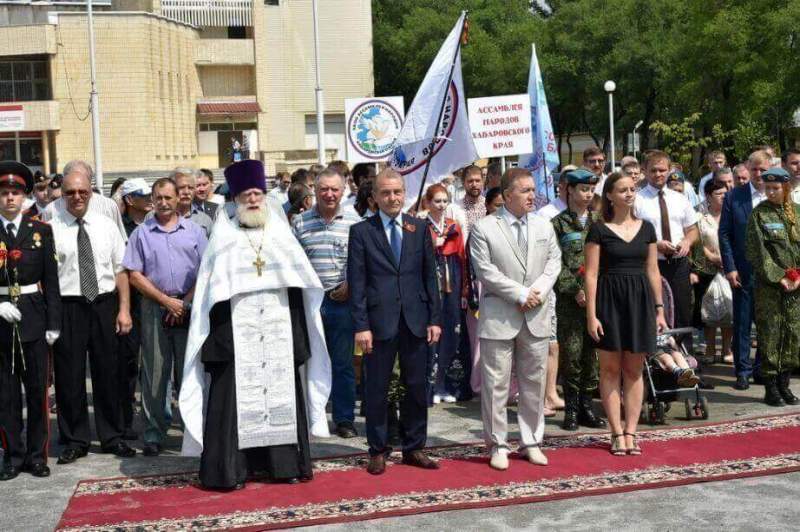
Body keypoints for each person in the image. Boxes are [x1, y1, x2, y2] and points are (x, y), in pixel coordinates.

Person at [180, 159, 331, 490]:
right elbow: (211, 296)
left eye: (257, 193)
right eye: (246, 194)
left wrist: (295, 339)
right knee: (233, 402)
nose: (253, 199)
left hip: (277, 335)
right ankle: (232, 470)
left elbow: (298, 289)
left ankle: (284, 465)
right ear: (235, 199)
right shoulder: (223, 241)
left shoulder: (281, 237)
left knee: (281, 397)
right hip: (236, 340)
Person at [347, 168, 442, 476]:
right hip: (378, 323)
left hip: (415, 320)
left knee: (416, 386)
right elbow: (357, 282)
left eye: (397, 192)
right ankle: (378, 449)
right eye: (385, 193)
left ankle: (414, 447)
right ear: (374, 197)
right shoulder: (361, 232)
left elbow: (430, 277)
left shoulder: (419, 227)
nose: (392, 198)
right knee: (377, 387)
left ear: (405, 194)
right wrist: (361, 325)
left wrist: (434, 319)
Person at [470, 168, 561, 470]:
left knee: (534, 382)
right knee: (496, 384)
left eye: (533, 190)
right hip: (500, 316)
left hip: (536, 314)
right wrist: (521, 294)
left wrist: (537, 291)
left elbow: (554, 262)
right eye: (525, 191)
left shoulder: (543, 225)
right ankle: (498, 443)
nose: (532, 196)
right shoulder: (484, 228)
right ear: (507, 194)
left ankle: (531, 441)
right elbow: (485, 271)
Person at [50, 168, 136, 464]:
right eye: (70, 192)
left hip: (104, 304)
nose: (77, 197)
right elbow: (47, 276)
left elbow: (121, 270)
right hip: (68, 305)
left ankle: (112, 437)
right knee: (69, 375)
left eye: (82, 192)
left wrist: (124, 309)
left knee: (109, 373)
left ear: (91, 191)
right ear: (62, 194)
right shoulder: (51, 227)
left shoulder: (106, 225)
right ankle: (75, 440)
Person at [123, 178, 207, 456]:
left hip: (189, 306)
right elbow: (134, 274)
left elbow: (207, 271)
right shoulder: (142, 234)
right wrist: (166, 301)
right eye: (158, 197)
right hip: (154, 306)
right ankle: (154, 433)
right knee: (155, 373)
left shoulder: (194, 232)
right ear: (152, 199)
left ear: (178, 198)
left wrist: (183, 303)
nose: (163, 202)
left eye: (168, 197)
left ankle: (194, 429)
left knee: (189, 371)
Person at [585, 172, 667, 456]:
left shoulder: (647, 228)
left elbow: (653, 270)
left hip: (640, 302)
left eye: (632, 189)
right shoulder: (598, 229)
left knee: (634, 370)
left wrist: (659, 309)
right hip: (609, 301)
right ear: (610, 195)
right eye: (623, 190)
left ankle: (631, 431)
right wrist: (592, 315)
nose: (630, 194)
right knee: (609, 369)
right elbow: (592, 275)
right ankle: (616, 432)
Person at [0, 162, 60, 481]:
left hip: (34, 319)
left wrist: (54, 323)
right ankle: (13, 455)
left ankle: (37, 456)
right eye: (4, 193)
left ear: (25, 198)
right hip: (1, 326)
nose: (10, 198)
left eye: (15, 193)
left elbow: (51, 279)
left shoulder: (41, 231)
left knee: (38, 392)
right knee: (6, 395)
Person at [292, 168, 361, 439]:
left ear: (343, 191)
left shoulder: (356, 222)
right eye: (324, 189)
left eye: (334, 189)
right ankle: (312, 416)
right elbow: (292, 263)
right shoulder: (300, 222)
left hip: (341, 302)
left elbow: (362, 261)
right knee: (309, 361)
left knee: (342, 363)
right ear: (315, 191)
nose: (329, 194)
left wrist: (351, 284)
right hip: (309, 304)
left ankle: (344, 419)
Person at [552, 168, 606, 431]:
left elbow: (606, 261)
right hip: (570, 302)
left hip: (597, 300)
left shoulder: (600, 222)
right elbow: (555, 263)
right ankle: (571, 409)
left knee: (592, 355)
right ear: (569, 190)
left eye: (591, 189)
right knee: (572, 355)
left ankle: (587, 406)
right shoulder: (558, 224)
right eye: (583, 189)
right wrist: (575, 289)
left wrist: (595, 292)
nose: (588, 194)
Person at [744, 167, 800, 406]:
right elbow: (756, 251)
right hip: (770, 287)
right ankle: (771, 388)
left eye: (775, 188)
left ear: (786, 188)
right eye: (767, 188)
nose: (771, 192)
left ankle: (785, 385)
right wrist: (779, 276)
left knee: (793, 335)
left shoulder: (797, 212)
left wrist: (798, 277)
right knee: (771, 335)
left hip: (796, 287)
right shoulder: (759, 214)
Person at [634, 151, 698, 355]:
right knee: (656, 313)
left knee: (683, 313)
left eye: (662, 170)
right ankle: (661, 363)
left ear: (670, 170)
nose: (658, 174)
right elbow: (631, 234)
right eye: (653, 170)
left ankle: (687, 362)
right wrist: (655, 245)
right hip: (652, 264)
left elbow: (693, 229)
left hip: (679, 265)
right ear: (644, 171)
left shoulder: (680, 198)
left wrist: (687, 241)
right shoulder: (637, 200)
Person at [719, 150, 769, 390]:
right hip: (743, 270)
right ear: (748, 169)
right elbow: (725, 234)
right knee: (742, 323)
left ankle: (761, 369)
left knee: (767, 323)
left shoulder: (777, 195)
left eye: (763, 170)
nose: (759, 174)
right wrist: (730, 267)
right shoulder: (734, 197)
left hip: (772, 274)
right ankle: (742, 370)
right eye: (755, 169)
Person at [423, 184, 468, 404]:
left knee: (452, 332)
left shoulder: (454, 226)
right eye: (437, 201)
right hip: (431, 282)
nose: (441, 205)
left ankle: (445, 384)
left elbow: (462, 257)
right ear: (427, 203)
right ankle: (429, 387)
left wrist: (465, 289)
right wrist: (432, 244)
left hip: (453, 281)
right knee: (432, 334)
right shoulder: (422, 226)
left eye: (444, 201)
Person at [118, 178, 153, 439]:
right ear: (130, 200)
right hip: (131, 304)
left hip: (154, 302)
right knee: (127, 364)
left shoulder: (155, 225)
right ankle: (125, 419)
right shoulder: (120, 228)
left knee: (154, 365)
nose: (150, 199)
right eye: (144, 195)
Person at [691, 179, 733, 363]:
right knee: (708, 311)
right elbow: (696, 242)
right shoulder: (698, 216)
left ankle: (726, 349)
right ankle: (709, 348)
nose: (724, 196)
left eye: (726, 193)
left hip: (730, 269)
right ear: (708, 196)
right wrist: (712, 257)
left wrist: (729, 261)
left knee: (729, 310)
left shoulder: (732, 214)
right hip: (706, 269)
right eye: (719, 194)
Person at [41, 161, 128, 241]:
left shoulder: (108, 206)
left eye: (83, 180)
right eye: (73, 179)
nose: (78, 183)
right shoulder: (51, 210)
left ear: (90, 183)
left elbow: (120, 242)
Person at [172, 168, 214, 236]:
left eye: (190, 188)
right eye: (181, 187)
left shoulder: (205, 220)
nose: (186, 192)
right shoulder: (155, 217)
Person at [458, 165, 487, 237]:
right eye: (470, 181)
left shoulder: (489, 205)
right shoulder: (453, 209)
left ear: (482, 182)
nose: (474, 185)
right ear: (463, 183)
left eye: (477, 181)